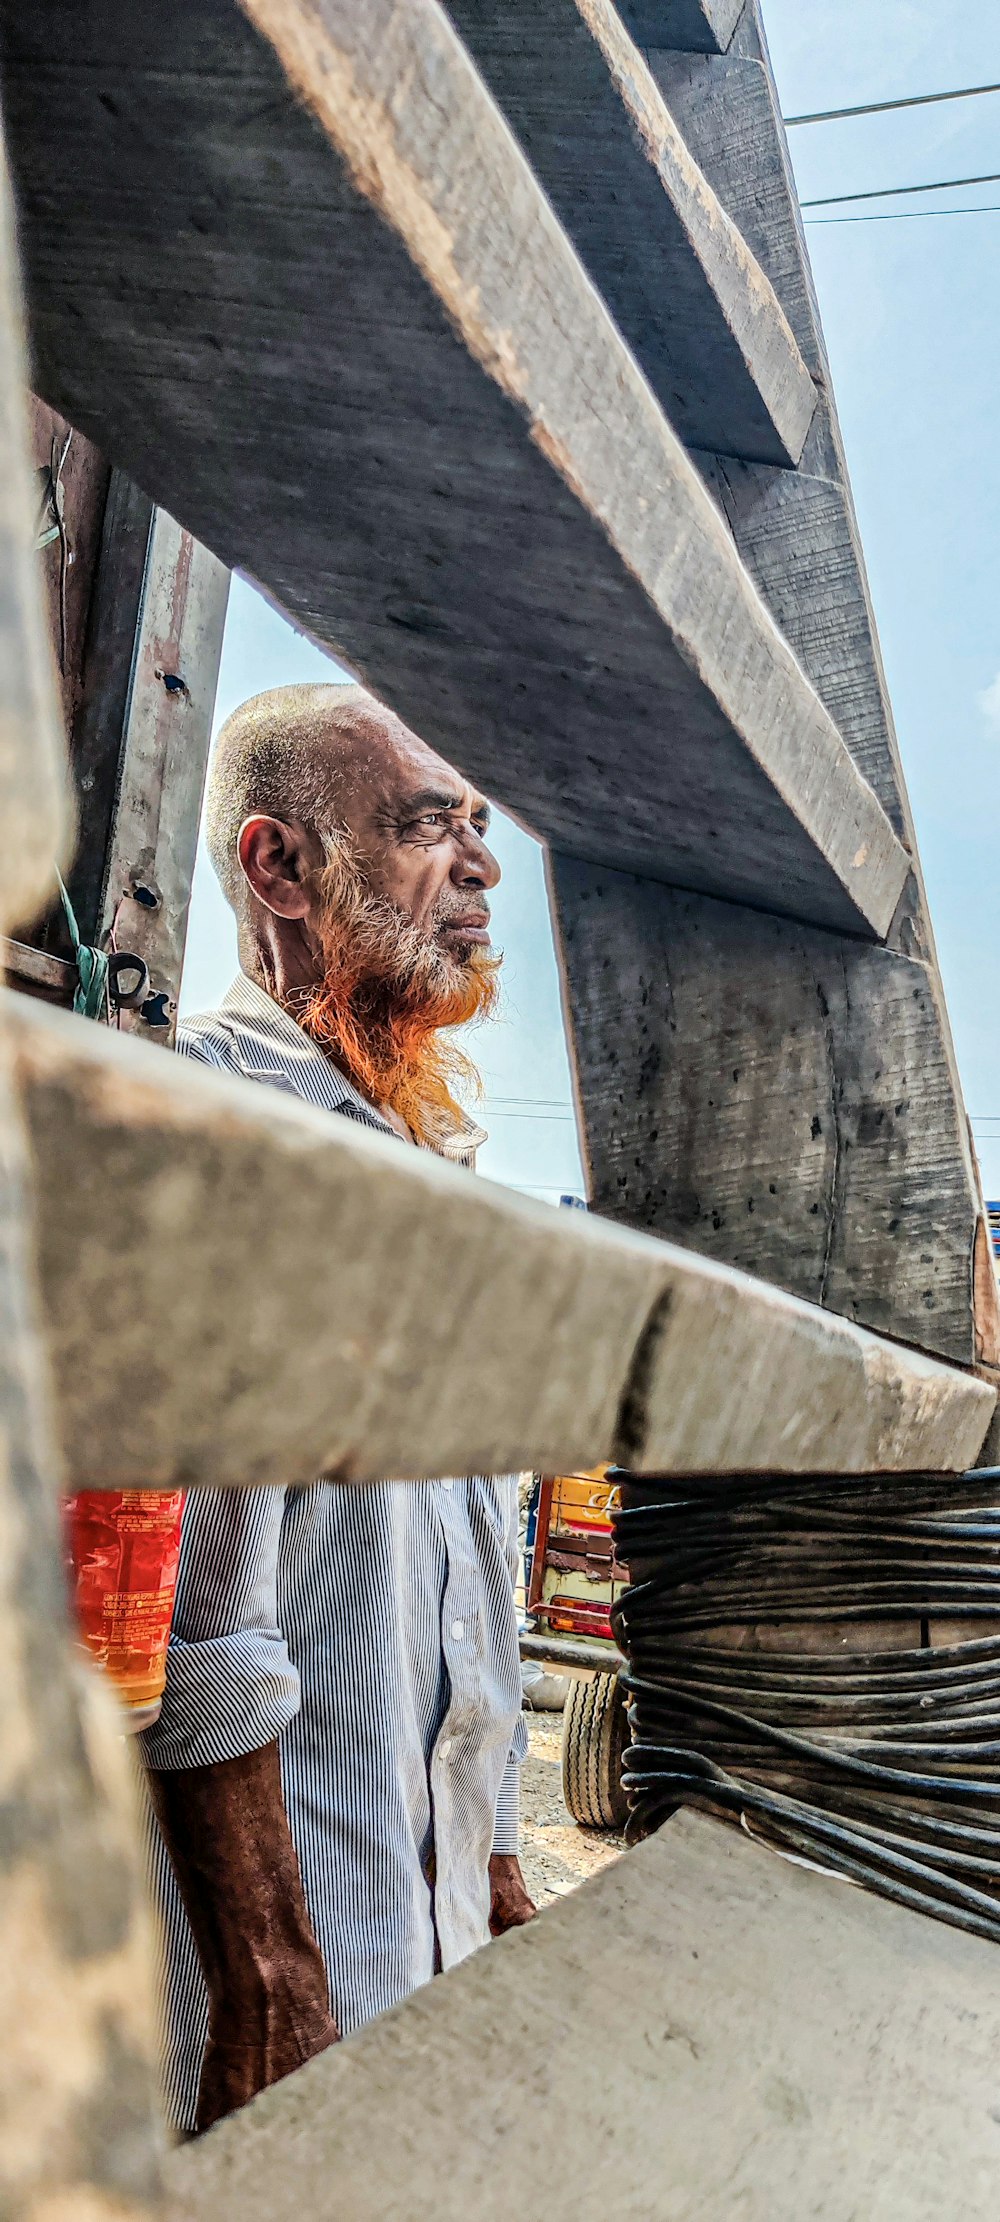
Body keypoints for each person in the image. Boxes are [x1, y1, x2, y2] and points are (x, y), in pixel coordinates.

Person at [141, 682, 534, 2136]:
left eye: (481, 826)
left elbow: (470, 1587)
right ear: (280, 865)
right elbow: (198, 1624)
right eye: (429, 825)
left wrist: (495, 1871)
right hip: (270, 2013)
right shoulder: (224, 1128)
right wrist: (269, 1971)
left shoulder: (426, 1160)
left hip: (413, 1952)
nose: (483, 864)